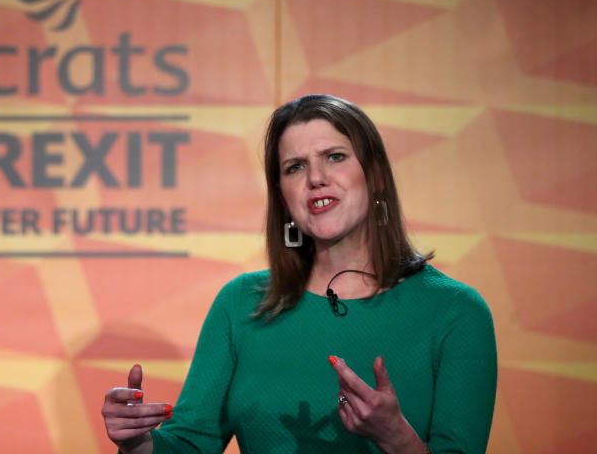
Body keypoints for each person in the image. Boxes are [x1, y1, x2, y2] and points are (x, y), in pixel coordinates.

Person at [101, 94, 497, 453]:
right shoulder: (241, 304)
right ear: (283, 197)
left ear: (375, 175)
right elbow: (190, 443)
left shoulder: (455, 311)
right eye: (295, 167)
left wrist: (397, 438)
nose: (315, 178)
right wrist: (138, 443)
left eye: (335, 157)